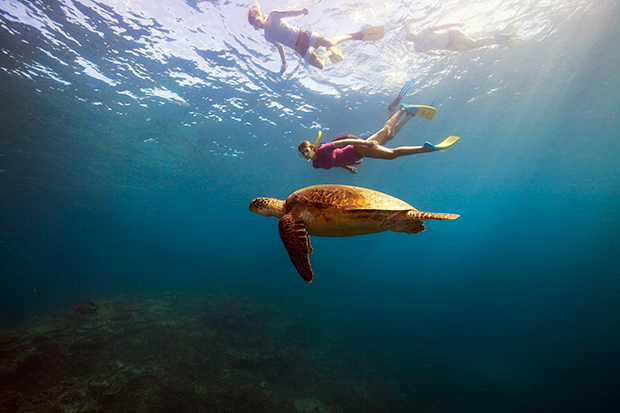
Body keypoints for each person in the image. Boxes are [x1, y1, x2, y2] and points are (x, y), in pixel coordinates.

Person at [298, 105, 459, 174]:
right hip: (359, 153)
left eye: (306, 151)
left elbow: (344, 143)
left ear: (312, 148)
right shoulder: (316, 164)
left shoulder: (323, 149)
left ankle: (404, 109)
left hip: (358, 148)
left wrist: (366, 143)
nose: (306, 155)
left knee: (390, 147)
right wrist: (348, 168)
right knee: (389, 135)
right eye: (302, 154)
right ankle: (406, 114)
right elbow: (335, 162)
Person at [248, 6, 383, 73]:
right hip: (298, 48)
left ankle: (352, 36)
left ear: (260, 15)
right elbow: (280, 47)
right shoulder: (267, 37)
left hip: (303, 35)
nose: (256, 23)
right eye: (254, 24)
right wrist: (284, 62)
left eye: (256, 20)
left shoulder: (273, 15)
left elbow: (289, 14)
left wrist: (301, 11)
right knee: (321, 65)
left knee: (330, 42)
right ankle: (330, 52)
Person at [405, 18, 515, 55]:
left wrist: (457, 23)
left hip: (451, 34)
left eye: (410, 34)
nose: (411, 37)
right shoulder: (416, 48)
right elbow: (427, 52)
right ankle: (497, 40)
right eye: (408, 38)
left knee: (473, 43)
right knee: (471, 48)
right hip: (447, 46)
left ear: (413, 31)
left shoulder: (424, 31)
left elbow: (442, 25)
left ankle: (499, 38)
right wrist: (438, 54)